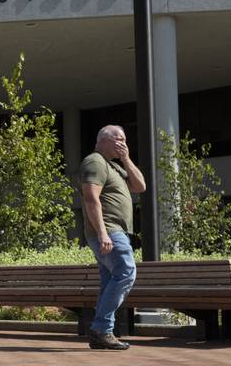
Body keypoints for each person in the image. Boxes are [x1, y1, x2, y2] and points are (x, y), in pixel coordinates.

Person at [80, 125, 146, 350]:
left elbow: (140, 186)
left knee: (111, 280)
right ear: (103, 140)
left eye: (125, 140)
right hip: (109, 231)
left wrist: (126, 159)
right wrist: (102, 233)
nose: (123, 144)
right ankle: (101, 329)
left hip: (116, 232)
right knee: (126, 272)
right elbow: (91, 199)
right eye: (119, 139)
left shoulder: (115, 166)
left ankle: (102, 332)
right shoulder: (95, 161)